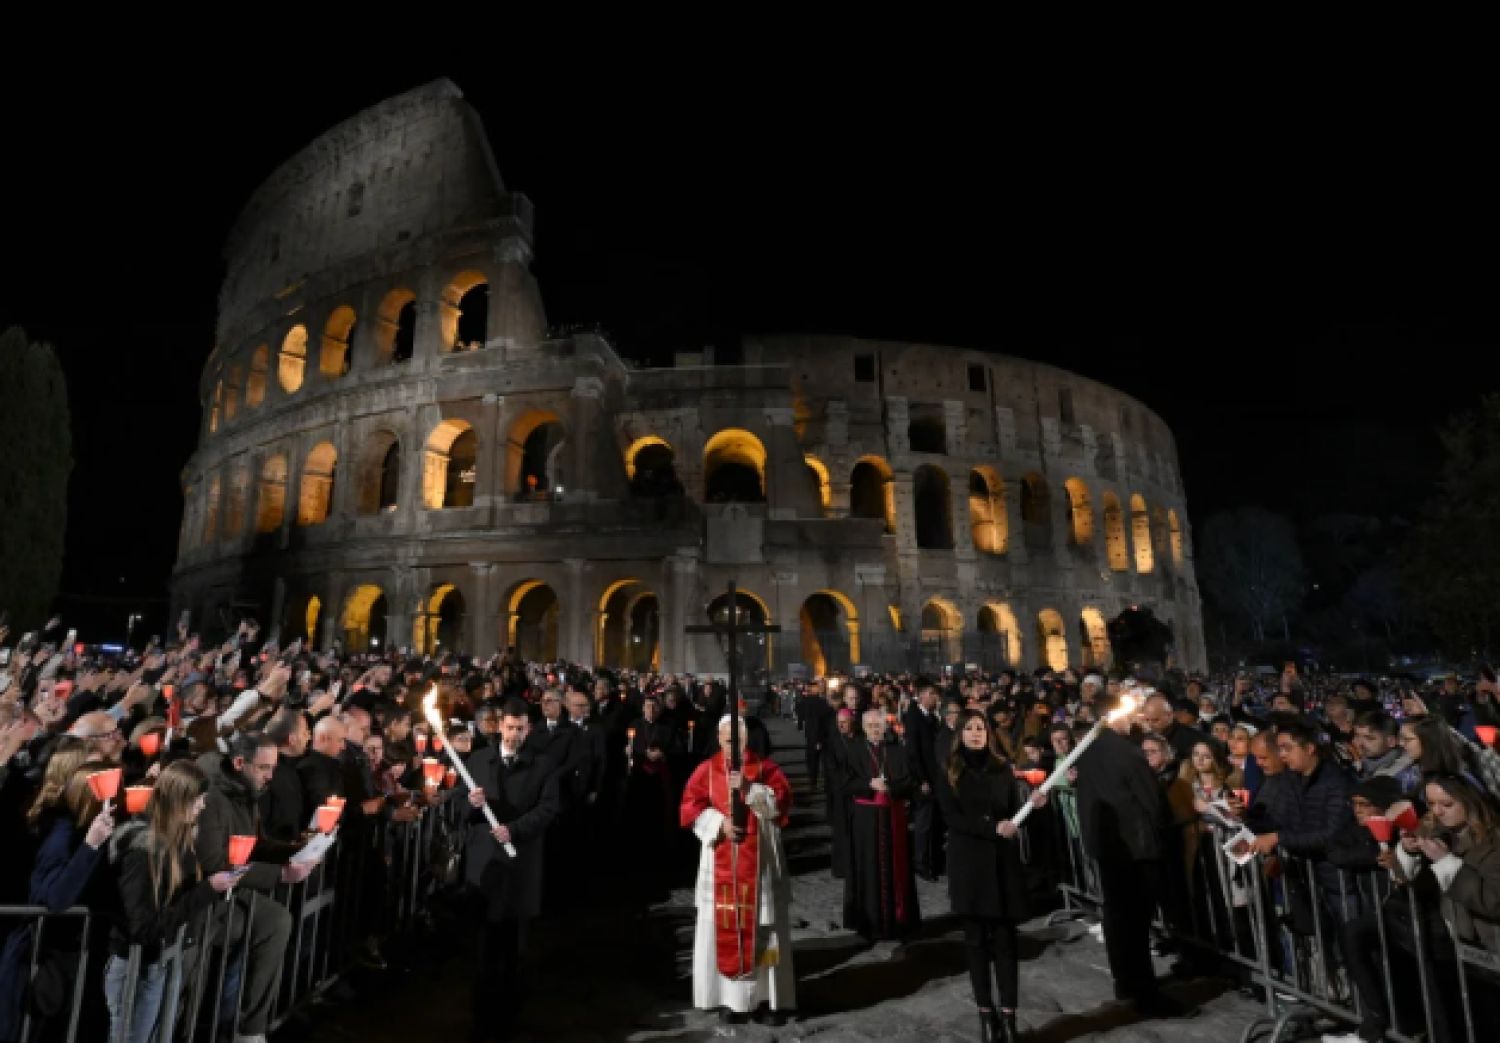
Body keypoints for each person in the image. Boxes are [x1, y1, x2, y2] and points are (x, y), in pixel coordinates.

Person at [1073, 695, 1194, 1018]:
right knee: (1135, 922)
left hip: (1107, 847)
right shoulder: (1127, 753)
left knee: (1117, 918)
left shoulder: (1088, 750)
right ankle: (1145, 992)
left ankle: (1125, 981)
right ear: (1114, 718)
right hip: (1135, 849)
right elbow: (1151, 802)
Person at [105, 761, 242, 1043]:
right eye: (198, 800)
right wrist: (206, 890)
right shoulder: (142, 852)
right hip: (139, 967)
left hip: (164, 959)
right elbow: (143, 927)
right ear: (179, 800)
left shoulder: (178, 844)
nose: (202, 807)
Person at [937, 709, 1047, 1043]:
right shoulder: (950, 771)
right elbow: (953, 818)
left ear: (988, 733)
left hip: (1002, 867)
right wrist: (990, 827)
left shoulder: (1003, 770)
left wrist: (1034, 805)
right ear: (960, 734)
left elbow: (1015, 815)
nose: (975, 733)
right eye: (968, 728)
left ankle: (1010, 1017)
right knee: (975, 943)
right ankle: (986, 1016)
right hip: (969, 865)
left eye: (980, 728)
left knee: (1005, 943)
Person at [679, 715, 795, 1024]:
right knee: (723, 926)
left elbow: (780, 805)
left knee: (762, 928)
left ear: (747, 740)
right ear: (719, 739)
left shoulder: (766, 769)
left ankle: (766, 999)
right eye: (728, 739)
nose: (733, 745)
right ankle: (728, 999)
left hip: (760, 865)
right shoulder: (706, 770)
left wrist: (750, 788)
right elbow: (690, 808)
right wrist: (720, 824)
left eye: (739, 739)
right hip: (721, 860)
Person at [462, 698, 559, 1041]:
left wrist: (515, 829)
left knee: (513, 946)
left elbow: (548, 808)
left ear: (528, 729)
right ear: (499, 725)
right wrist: (471, 805)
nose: (515, 734)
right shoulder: (478, 760)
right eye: (509, 727)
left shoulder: (543, 765)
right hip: (485, 866)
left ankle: (510, 1015)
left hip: (520, 864)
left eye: (521, 729)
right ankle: (482, 1014)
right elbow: (462, 809)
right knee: (484, 943)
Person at [841, 709, 921, 940]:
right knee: (868, 867)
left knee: (896, 868)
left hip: (893, 816)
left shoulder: (897, 751)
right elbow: (844, 782)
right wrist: (869, 784)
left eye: (878, 725)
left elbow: (910, 780)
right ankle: (869, 921)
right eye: (870, 726)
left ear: (885, 727)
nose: (875, 729)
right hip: (865, 820)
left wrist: (891, 788)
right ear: (863, 728)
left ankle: (899, 919)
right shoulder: (854, 750)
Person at [903, 684, 944, 880]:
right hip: (924, 778)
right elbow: (913, 752)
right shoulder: (913, 717)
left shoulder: (933, 717)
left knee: (934, 822)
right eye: (931, 694)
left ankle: (933, 860)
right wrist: (921, 779)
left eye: (936, 694)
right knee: (923, 824)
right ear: (920, 696)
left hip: (936, 777)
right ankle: (921, 863)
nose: (935, 698)